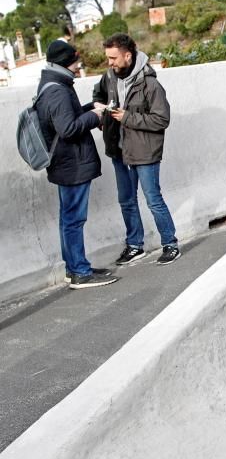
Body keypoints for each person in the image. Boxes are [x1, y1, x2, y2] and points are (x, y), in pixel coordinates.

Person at [35, 40, 117, 289]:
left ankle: (74, 268)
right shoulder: (58, 90)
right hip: (71, 164)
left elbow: (66, 117)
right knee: (73, 219)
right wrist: (95, 117)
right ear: (64, 62)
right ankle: (80, 272)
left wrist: (91, 107)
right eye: (74, 61)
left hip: (65, 163)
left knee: (68, 218)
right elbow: (68, 129)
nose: (77, 65)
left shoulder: (53, 84)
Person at [93, 33, 181, 266]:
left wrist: (127, 117)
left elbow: (162, 120)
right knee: (126, 200)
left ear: (128, 56)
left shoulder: (150, 84)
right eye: (108, 58)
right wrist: (101, 111)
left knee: (153, 199)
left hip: (144, 152)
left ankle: (170, 244)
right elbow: (97, 94)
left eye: (113, 58)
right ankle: (135, 246)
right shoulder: (109, 77)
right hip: (119, 151)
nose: (109, 62)